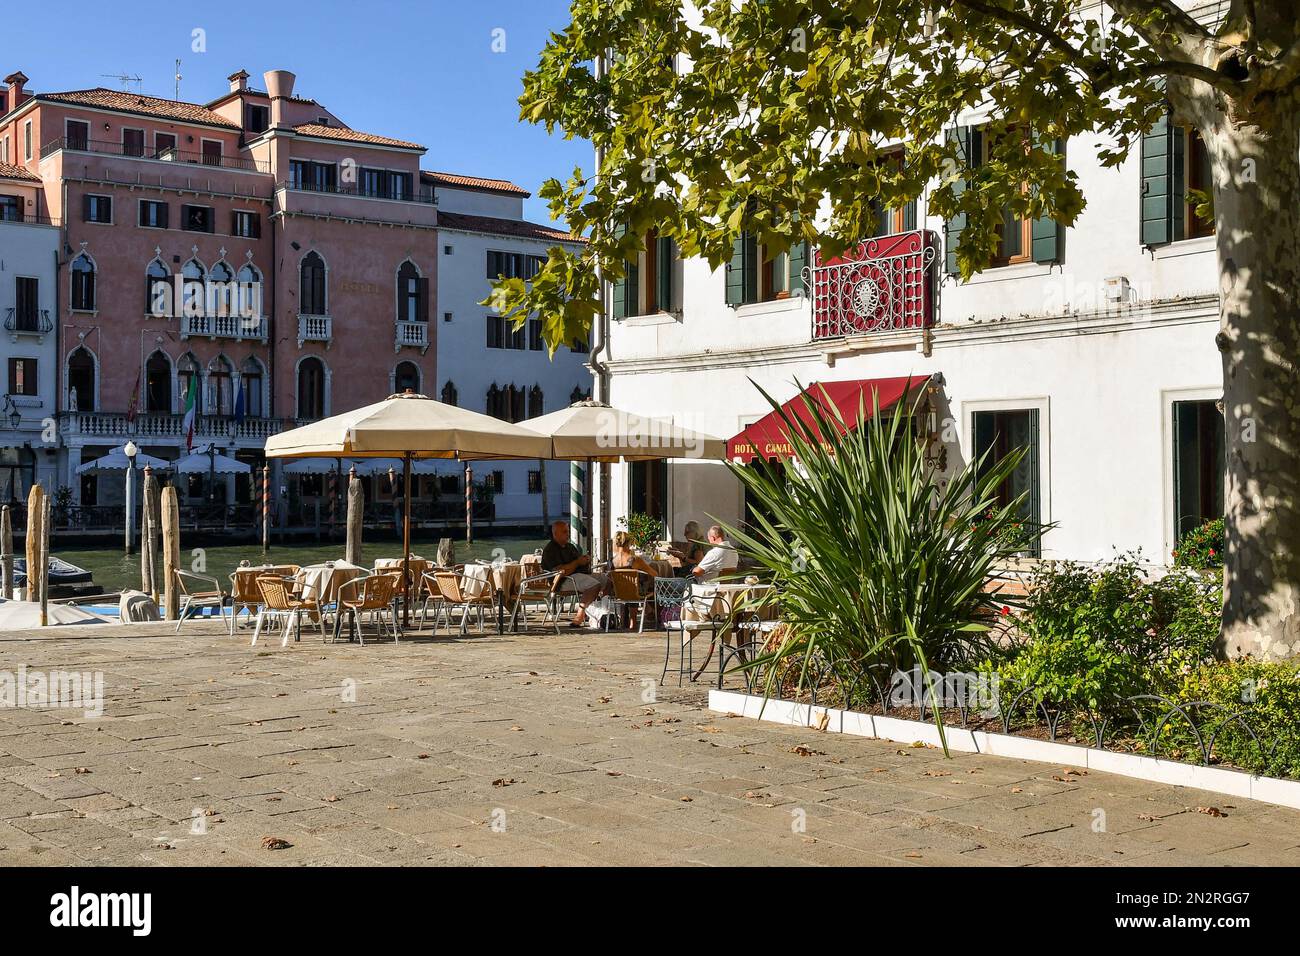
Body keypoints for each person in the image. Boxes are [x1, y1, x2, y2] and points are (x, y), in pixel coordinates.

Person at [541, 520, 606, 627]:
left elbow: (578, 562)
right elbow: (560, 572)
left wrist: (585, 560)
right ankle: (580, 615)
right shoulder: (550, 550)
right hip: (561, 582)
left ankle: (604, 611)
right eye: (565, 532)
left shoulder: (570, 547)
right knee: (594, 584)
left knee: (606, 580)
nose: (568, 534)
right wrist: (577, 563)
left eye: (568, 531)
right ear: (555, 534)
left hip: (577, 575)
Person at [609, 531, 659, 629]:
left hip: (617, 592)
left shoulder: (611, 561)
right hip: (635, 592)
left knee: (630, 587)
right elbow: (654, 574)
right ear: (629, 543)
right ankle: (645, 614)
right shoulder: (634, 559)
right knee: (646, 586)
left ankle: (630, 618)